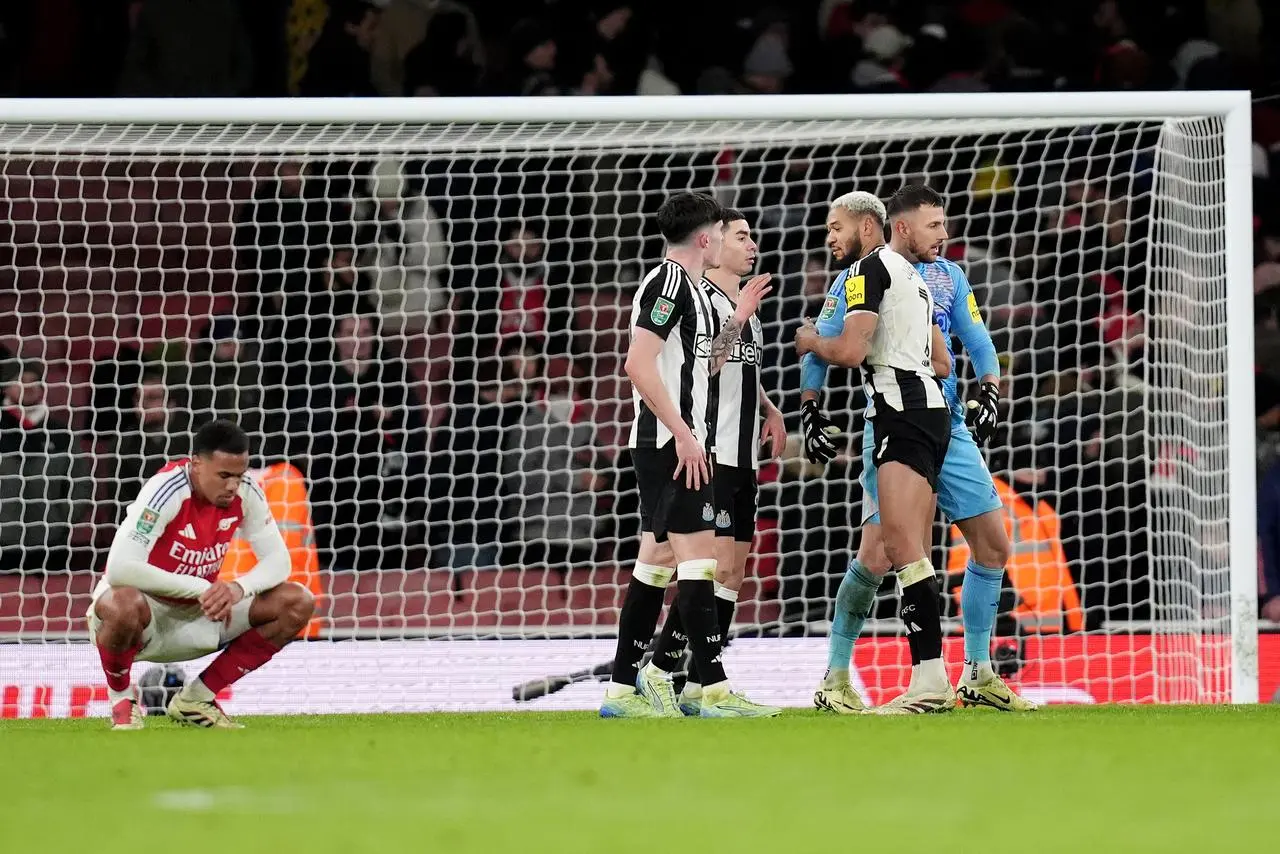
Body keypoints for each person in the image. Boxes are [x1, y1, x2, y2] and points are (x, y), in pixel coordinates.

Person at [803, 187, 1037, 714]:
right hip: (893, 419)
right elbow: (832, 339)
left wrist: (990, 389)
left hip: (944, 424)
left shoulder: (946, 278)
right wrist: (812, 406)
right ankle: (838, 674)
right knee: (883, 553)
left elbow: (973, 342)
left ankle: (976, 674)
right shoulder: (860, 277)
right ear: (900, 228)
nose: (946, 236)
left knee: (994, 546)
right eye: (935, 225)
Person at [600, 192, 776, 718]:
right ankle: (711, 692)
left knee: (656, 568)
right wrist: (681, 431)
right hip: (671, 442)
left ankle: (622, 691)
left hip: (681, 440)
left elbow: (706, 366)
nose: (727, 239)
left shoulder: (694, 292)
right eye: (722, 233)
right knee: (701, 565)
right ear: (706, 239)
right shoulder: (669, 281)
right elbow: (638, 362)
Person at [794, 186, 954, 715]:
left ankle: (929, 682)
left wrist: (810, 340)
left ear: (870, 226)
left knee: (903, 547)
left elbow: (850, 349)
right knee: (899, 548)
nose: (830, 237)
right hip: (929, 411)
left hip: (898, 412)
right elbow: (943, 362)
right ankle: (916, 680)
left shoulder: (869, 271)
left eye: (836, 227)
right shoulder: (916, 278)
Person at [89, 419, 315, 730]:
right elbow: (119, 567)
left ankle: (196, 699)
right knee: (121, 602)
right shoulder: (167, 489)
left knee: (297, 601)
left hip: (202, 614)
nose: (233, 485)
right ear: (196, 464)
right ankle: (122, 700)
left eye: (239, 474)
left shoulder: (247, 492)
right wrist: (198, 587)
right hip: (146, 618)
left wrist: (238, 588)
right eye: (223, 475)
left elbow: (279, 562)